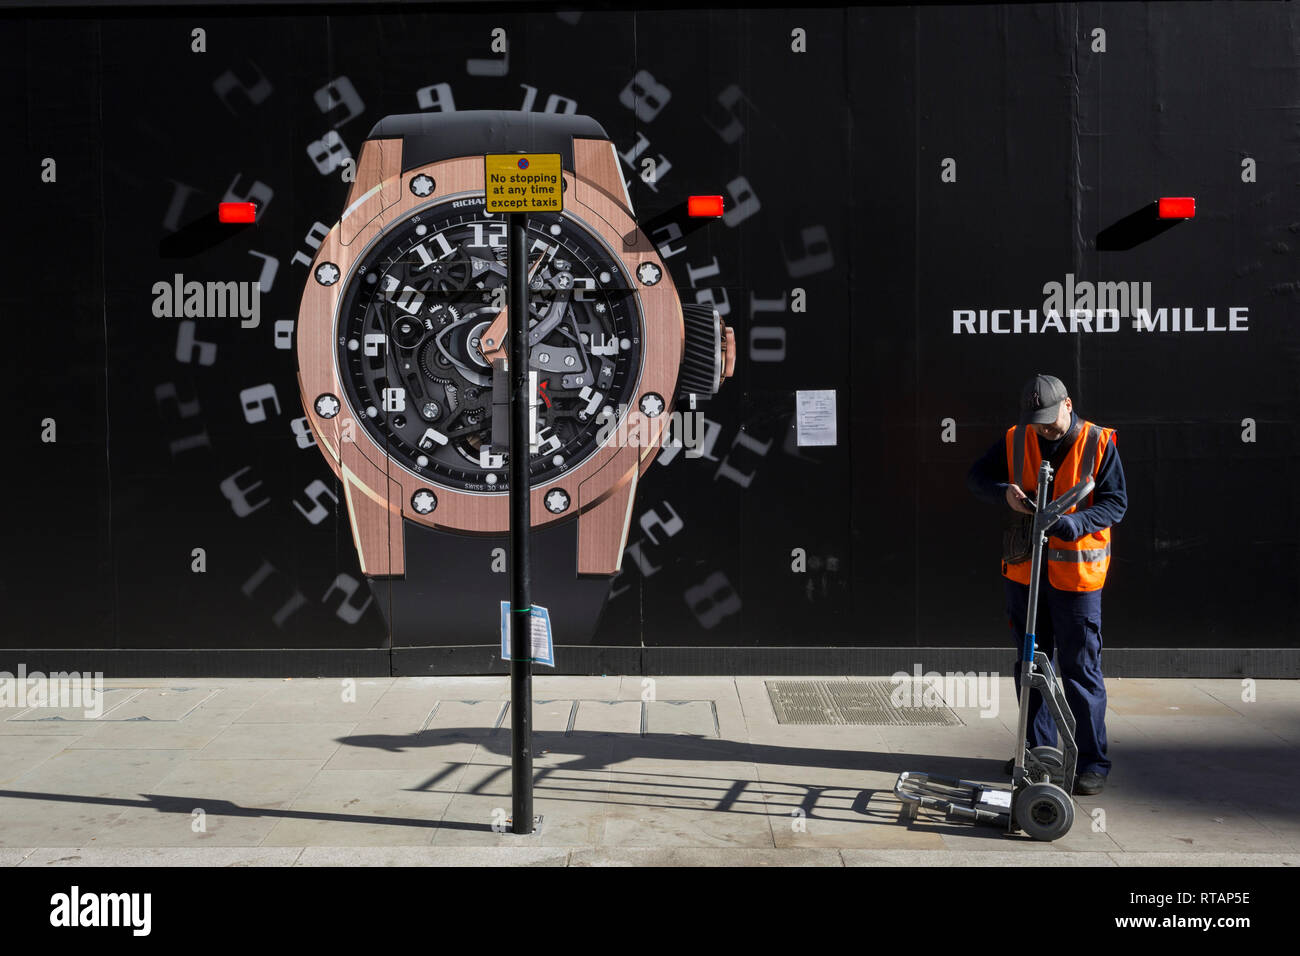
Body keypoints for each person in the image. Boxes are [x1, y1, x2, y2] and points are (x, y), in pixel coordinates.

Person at [967, 374, 1127, 795]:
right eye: (1035, 421)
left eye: (1050, 420)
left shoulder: (1098, 443)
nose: (1043, 428)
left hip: (1076, 580)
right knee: (1031, 667)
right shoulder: (1017, 437)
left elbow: (1116, 503)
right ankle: (1038, 753)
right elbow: (977, 477)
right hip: (1024, 575)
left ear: (1068, 406)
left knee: (1080, 672)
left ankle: (1092, 762)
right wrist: (1004, 492)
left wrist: (1076, 522)